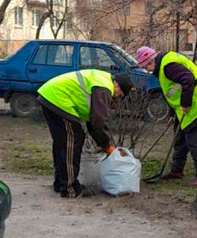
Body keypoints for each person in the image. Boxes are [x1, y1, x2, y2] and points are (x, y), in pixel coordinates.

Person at [37, 69, 134, 198]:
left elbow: (92, 122)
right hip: (59, 99)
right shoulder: (104, 88)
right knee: (73, 139)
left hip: (50, 95)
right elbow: (98, 122)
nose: (116, 97)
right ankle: (70, 188)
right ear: (117, 85)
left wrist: (102, 142)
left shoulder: (101, 80)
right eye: (120, 94)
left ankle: (60, 183)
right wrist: (107, 146)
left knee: (63, 141)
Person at [133, 46, 197, 186]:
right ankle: (177, 170)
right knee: (180, 137)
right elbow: (174, 91)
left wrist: (185, 104)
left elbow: (188, 80)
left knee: (193, 140)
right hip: (188, 107)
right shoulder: (163, 66)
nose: (147, 71)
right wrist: (174, 113)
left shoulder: (168, 66)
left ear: (151, 61)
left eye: (146, 67)